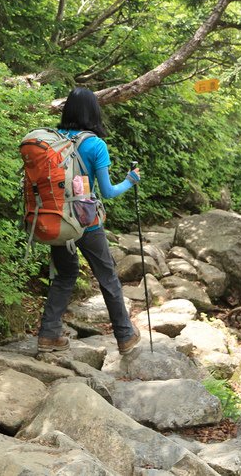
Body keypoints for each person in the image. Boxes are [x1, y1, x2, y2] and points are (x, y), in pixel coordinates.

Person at [37, 87, 143, 355]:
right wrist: (130, 181)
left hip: (59, 219)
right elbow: (107, 192)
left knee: (64, 275)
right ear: (94, 112)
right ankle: (125, 335)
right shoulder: (95, 145)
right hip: (87, 222)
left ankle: (49, 334)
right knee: (107, 276)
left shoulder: (54, 140)